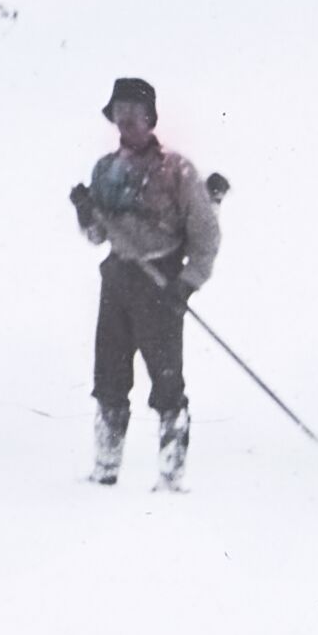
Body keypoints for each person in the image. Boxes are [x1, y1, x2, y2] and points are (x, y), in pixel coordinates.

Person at [67, 74, 222, 490]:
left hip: (161, 284)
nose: (127, 123)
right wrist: (86, 213)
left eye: (135, 115)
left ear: (151, 119)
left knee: (167, 383)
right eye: (120, 115)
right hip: (118, 280)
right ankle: (105, 470)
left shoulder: (178, 170)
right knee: (109, 380)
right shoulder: (105, 170)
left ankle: (170, 478)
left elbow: (205, 236)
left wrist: (186, 284)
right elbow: (99, 235)